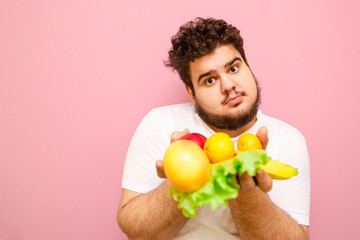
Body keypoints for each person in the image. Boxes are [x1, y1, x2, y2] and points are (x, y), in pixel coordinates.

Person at [117, 17, 310, 240]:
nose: (228, 86)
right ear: (191, 92)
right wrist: (181, 180)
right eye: (209, 80)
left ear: (248, 65)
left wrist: (245, 189)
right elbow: (134, 230)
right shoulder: (160, 124)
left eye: (234, 68)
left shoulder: (288, 139)